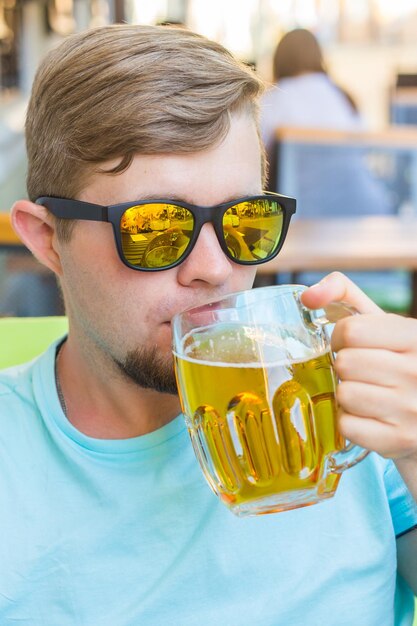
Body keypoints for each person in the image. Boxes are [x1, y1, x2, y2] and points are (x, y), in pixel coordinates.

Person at [1, 23, 416, 625]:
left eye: (243, 219)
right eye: (154, 229)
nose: (214, 269)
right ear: (47, 239)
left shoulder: (349, 403)